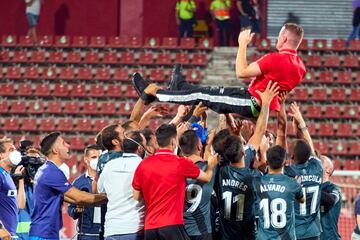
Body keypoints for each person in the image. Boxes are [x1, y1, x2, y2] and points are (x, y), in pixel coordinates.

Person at [132, 24, 305, 119]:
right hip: (254, 103)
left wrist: (242, 44)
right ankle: (180, 86)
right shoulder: (300, 68)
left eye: (279, 36)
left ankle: (155, 94)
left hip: (250, 101)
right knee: (207, 91)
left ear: (283, 38)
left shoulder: (276, 58)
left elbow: (241, 72)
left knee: (203, 95)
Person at [132, 124, 218, 240]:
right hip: (171, 225)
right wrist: (211, 165)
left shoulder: (143, 164)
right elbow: (207, 177)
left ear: (157, 141)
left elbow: (137, 196)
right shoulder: (180, 163)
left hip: (150, 228)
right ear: (173, 142)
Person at [29, 132, 108, 240]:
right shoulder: (52, 172)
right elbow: (79, 197)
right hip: (44, 234)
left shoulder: (46, 169)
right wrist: (109, 196)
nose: (68, 145)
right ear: (55, 150)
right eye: (63, 143)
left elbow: (74, 199)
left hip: (43, 232)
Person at [97, 131, 146, 239]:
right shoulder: (143, 166)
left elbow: (100, 190)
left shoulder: (110, 165)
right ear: (140, 148)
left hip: (111, 228)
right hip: (134, 227)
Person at [253, 145, 304, 240]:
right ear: (284, 162)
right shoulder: (292, 183)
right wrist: (298, 186)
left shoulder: (256, 182)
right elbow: (302, 200)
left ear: (267, 162)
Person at [179, 130, 215, 240]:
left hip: (181, 230)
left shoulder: (175, 166)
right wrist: (208, 146)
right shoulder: (210, 168)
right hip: (202, 231)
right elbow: (210, 158)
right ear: (199, 146)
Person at [284, 140, 323, 240]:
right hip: (313, 232)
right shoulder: (318, 168)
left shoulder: (287, 173)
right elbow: (312, 152)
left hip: (295, 232)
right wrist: (302, 126)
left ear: (292, 156)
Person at [68, 144, 103, 240]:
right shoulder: (79, 182)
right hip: (86, 234)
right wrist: (77, 211)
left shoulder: (108, 178)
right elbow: (70, 209)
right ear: (86, 160)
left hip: (106, 232)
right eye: (94, 157)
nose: (97, 160)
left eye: (99, 157)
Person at [0, 139, 24, 239]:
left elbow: (20, 205)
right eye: (11, 150)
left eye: (15, 150)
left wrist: (21, 180)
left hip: (10, 234)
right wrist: (0, 228)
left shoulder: (8, 175)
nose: (15, 153)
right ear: (1, 155)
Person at [319, 155, 341, 240]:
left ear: (329, 170)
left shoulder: (334, 189)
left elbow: (331, 200)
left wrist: (313, 190)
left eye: (321, 162)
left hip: (330, 237)